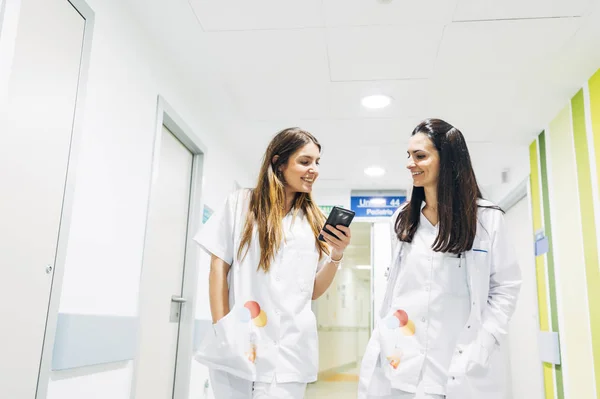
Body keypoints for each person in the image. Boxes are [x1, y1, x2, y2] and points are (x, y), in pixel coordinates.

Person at [358, 118, 521, 399]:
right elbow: (399, 291)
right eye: (409, 156)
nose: (410, 163)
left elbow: (505, 287)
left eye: (420, 156)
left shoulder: (486, 218)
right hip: (403, 364)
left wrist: (484, 341)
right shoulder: (402, 219)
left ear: (448, 160)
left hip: (460, 364)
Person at [193, 127, 351, 399]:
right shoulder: (241, 203)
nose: (314, 169)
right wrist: (223, 327)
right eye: (305, 161)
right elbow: (218, 267)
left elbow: (311, 290)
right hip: (239, 341)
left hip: (290, 350)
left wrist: (336, 255)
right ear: (278, 163)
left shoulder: (313, 220)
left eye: (317, 162)